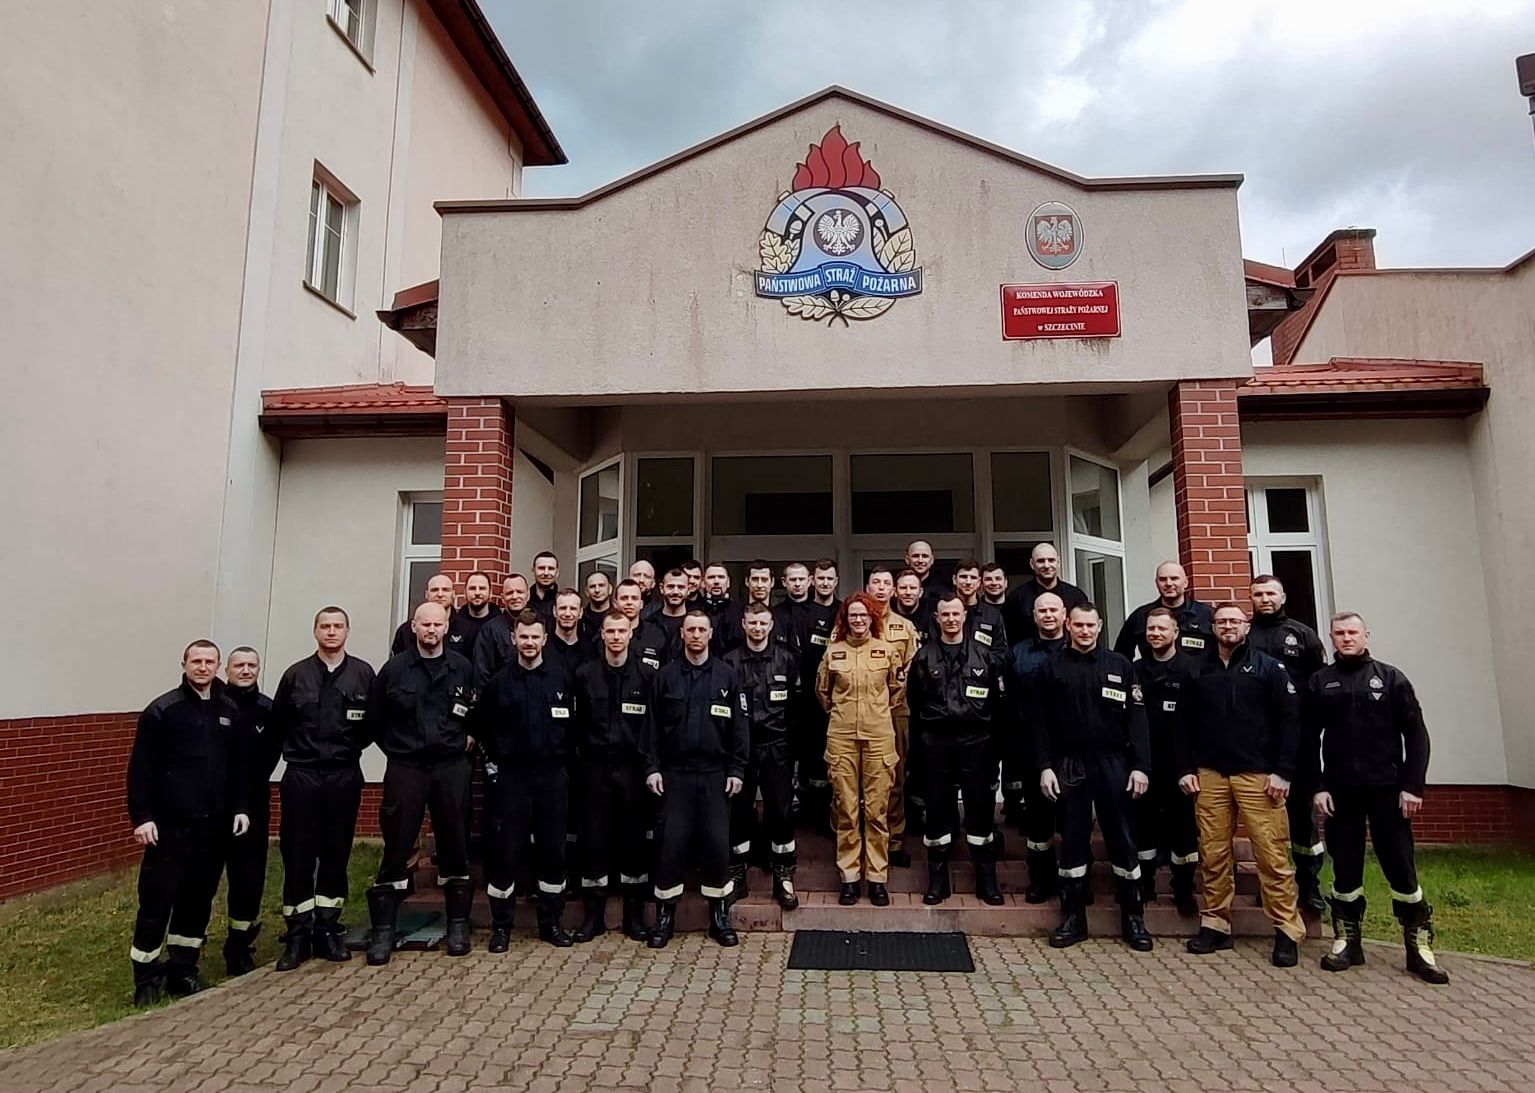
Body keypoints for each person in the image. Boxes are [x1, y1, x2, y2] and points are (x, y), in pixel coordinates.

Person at [1306, 612, 1447, 984]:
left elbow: (1416, 734)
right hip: (1340, 792)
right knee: (1345, 866)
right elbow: (1307, 740)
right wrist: (1318, 786)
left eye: (1353, 632)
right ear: (1331, 638)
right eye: (1339, 633)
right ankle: (1347, 941)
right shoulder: (1321, 682)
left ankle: (1418, 946)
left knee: (1400, 864)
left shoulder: (1390, 678)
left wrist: (1413, 786)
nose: (1346, 638)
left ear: (1365, 635)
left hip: (1388, 790)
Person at [1177, 602, 1307, 967]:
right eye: (1221, 622)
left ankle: (1287, 930)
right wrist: (1185, 768)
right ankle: (1216, 924)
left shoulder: (1269, 668)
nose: (1228, 627)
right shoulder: (1196, 669)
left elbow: (1290, 722)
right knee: (1213, 854)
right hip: (1210, 774)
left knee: (1271, 854)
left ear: (1246, 627)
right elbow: (1182, 724)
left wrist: (1283, 772)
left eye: (1235, 621)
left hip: (1259, 776)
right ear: (1213, 628)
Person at [126, 640, 250, 1005]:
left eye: (209, 661)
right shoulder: (163, 710)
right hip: (169, 827)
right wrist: (143, 817)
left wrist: (241, 807)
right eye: (196, 661)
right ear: (184, 664)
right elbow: (141, 769)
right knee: (156, 902)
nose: (203, 667)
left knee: (197, 901)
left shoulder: (229, 710)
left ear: (218, 666)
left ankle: (182, 970)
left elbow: (239, 767)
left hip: (212, 827)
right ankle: (147, 979)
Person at [363, 602, 477, 965]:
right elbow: (374, 720)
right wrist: (397, 750)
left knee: (455, 841)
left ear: (446, 627)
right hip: (407, 767)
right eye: (424, 624)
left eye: (437, 624)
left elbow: (477, 712)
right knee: (397, 843)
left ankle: (458, 925)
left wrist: (469, 737)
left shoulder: (462, 668)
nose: (431, 630)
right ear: (413, 627)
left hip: (450, 766)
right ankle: (384, 930)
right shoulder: (394, 670)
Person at [1034, 604, 1153, 951]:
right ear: (1068, 625)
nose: (1085, 631)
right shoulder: (1050, 667)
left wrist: (1141, 766)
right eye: (1079, 625)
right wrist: (1044, 766)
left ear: (1100, 626)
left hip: (1113, 761)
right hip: (1069, 762)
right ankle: (1073, 917)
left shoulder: (1120, 665)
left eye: (1090, 625)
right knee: (1072, 838)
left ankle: (1133, 917)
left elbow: (1138, 720)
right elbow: (1039, 723)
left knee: (1121, 836)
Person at [268, 606, 374, 971]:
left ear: (347, 631)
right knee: (297, 853)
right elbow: (277, 725)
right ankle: (297, 934)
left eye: (337, 626)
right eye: (325, 626)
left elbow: (371, 725)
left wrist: (348, 751)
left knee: (336, 851)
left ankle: (328, 929)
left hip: (343, 775)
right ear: (315, 632)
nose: (331, 632)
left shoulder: (362, 674)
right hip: (302, 775)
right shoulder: (296, 675)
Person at [643, 610, 749, 948]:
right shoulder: (666, 676)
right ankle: (665, 917)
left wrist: (737, 769)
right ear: (683, 634)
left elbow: (740, 728)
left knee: (716, 847)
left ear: (711, 634)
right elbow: (651, 728)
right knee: (670, 846)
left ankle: (719, 917)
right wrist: (652, 767)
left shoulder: (727, 675)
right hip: (675, 776)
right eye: (691, 629)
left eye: (702, 629)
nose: (696, 635)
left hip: (715, 776)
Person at [471, 610, 574, 950]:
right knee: (505, 852)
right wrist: (497, 765)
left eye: (535, 637)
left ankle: (551, 923)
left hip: (552, 778)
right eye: (524, 637)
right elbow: (484, 729)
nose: (529, 642)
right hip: (511, 779)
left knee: (553, 851)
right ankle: (502, 926)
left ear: (545, 639)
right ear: (514, 639)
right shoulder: (497, 684)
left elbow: (574, 728)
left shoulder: (562, 679)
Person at [908, 595, 1010, 906]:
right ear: (937, 618)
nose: (951, 619)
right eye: (945, 615)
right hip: (936, 744)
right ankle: (938, 881)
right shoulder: (923, 657)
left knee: (980, 810)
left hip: (977, 743)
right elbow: (914, 704)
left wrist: (995, 749)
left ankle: (986, 880)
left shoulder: (986, 656)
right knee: (937, 810)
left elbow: (1000, 706)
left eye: (956, 614)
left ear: (965, 616)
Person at [571, 610, 657, 942]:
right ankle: (593, 916)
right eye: (611, 631)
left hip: (632, 768)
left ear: (630, 634)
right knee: (593, 840)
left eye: (622, 631)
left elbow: (652, 727)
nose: (617, 636)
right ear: (603, 635)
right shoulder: (584, 675)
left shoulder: (646, 676)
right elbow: (576, 723)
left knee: (633, 841)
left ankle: (634, 916)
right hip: (594, 768)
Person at [1247, 574, 1329, 913]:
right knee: (1265, 818)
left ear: (1282, 597)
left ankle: (1309, 885)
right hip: (1259, 738)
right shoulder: (1246, 634)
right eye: (1258, 594)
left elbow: (1320, 683)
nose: (1265, 599)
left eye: (1271, 593)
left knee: (1301, 813)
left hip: (1299, 738)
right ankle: (1271, 885)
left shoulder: (1303, 635)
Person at [817, 593, 903, 906]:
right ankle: (850, 878)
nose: (858, 620)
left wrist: (875, 715)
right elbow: (823, 692)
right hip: (842, 737)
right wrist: (843, 714)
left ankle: (877, 878)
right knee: (847, 809)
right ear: (845, 619)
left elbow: (896, 690)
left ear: (872, 618)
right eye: (852, 615)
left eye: (863, 615)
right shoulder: (833, 652)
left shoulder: (887, 650)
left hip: (879, 737)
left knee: (877, 810)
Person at [723, 602, 801, 909]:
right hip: (741, 749)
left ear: (771, 626)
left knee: (780, 810)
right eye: (752, 623)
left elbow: (795, 709)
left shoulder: (786, 659)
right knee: (739, 810)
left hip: (776, 746)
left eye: (762, 623)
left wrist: (789, 746)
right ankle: (737, 875)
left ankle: (784, 874)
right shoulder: (729, 661)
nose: (757, 628)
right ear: (744, 624)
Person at [1132, 608, 1200, 916]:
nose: (1155, 634)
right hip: (1144, 763)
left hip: (1180, 765)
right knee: (1143, 827)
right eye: (1151, 629)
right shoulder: (1135, 670)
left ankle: (1183, 889)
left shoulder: (1193, 669)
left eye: (1162, 629)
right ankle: (1145, 885)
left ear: (1176, 633)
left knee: (1183, 830)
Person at [1006, 592, 1068, 903]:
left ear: (1064, 614)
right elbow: (1008, 699)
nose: (1048, 615)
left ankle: (1075, 884)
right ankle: (1040, 881)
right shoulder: (1018, 654)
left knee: (1072, 820)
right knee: (1038, 820)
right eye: (1042, 610)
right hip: (1032, 747)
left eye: (1053, 609)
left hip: (1072, 749)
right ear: (1034, 616)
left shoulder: (1079, 649)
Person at [221, 647, 277, 977]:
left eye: (251, 665)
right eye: (239, 665)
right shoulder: (214, 705)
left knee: (249, 876)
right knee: (201, 877)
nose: (245, 670)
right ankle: (185, 951)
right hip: (213, 805)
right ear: (226, 670)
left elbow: (271, 754)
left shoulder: (267, 709)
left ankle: (239, 944)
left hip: (254, 804)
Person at [775, 561, 838, 834]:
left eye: (803, 579)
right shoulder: (785, 615)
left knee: (819, 763)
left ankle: (820, 815)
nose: (798, 584)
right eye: (793, 579)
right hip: (789, 700)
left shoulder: (833, 613)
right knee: (789, 759)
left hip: (821, 700)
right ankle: (789, 817)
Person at [866, 566, 920, 867]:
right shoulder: (854, 621)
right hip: (860, 714)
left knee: (894, 778)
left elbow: (913, 671)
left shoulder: (905, 628)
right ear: (868, 587)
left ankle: (894, 841)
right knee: (859, 782)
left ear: (894, 590)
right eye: (876, 582)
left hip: (895, 712)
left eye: (887, 583)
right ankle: (861, 840)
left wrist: (893, 702)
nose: (881, 588)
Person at [1113, 561, 1214, 662]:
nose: (1168, 583)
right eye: (1163, 579)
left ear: (1185, 583)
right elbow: (1120, 658)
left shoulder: (1206, 615)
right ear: (1156, 583)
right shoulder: (1140, 617)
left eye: (1174, 578)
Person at [1003, 542, 1088, 646]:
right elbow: (1009, 635)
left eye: (1051, 560)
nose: (1047, 565)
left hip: (1070, 654)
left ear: (1058, 562)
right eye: (1041, 561)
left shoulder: (1076, 596)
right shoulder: (1017, 598)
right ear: (1032, 564)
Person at [473, 573, 532, 684]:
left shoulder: (539, 627)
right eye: (510, 593)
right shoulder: (490, 630)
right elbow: (482, 673)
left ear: (528, 595)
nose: (515, 596)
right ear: (502, 598)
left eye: (520, 592)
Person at [392, 573, 458, 655]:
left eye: (445, 590)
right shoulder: (406, 630)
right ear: (426, 594)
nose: (440, 594)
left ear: (453, 594)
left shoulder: (466, 629)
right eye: (434, 590)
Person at [615, 577, 673, 670]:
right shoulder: (607, 635)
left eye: (634, 598)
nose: (629, 602)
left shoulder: (657, 634)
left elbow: (665, 670)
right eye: (624, 598)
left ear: (641, 604)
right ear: (616, 603)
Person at [951, 560, 1008, 651]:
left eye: (973, 577)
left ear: (979, 582)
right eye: (963, 577)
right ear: (954, 579)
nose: (968, 582)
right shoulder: (944, 611)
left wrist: (982, 659)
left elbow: (1000, 651)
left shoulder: (993, 615)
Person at [453, 571, 501, 656]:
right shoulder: (454, 626)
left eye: (482, 588)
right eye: (472, 588)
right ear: (465, 593)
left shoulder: (500, 626)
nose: (477, 593)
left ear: (490, 593)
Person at [546, 588, 589, 677]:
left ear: (580, 612)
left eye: (573, 608)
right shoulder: (543, 648)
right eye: (563, 608)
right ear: (554, 611)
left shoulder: (590, 651)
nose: (567, 614)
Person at [652, 568, 691, 655]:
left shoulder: (696, 625)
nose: (675, 592)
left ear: (688, 590)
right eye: (670, 587)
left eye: (681, 587)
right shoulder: (650, 622)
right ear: (661, 588)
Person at [893, 570, 934, 640]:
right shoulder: (886, 617)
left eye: (913, 588)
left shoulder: (931, 619)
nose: (908, 592)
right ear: (895, 592)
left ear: (920, 592)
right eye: (903, 588)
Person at [580, 571, 614, 643]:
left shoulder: (619, 616)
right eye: (592, 586)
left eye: (601, 585)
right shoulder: (580, 617)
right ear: (586, 592)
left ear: (610, 589)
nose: (597, 590)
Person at [529, 551, 561, 622]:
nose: (546, 573)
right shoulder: (524, 601)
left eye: (551, 568)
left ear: (557, 572)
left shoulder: (563, 602)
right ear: (533, 570)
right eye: (541, 568)